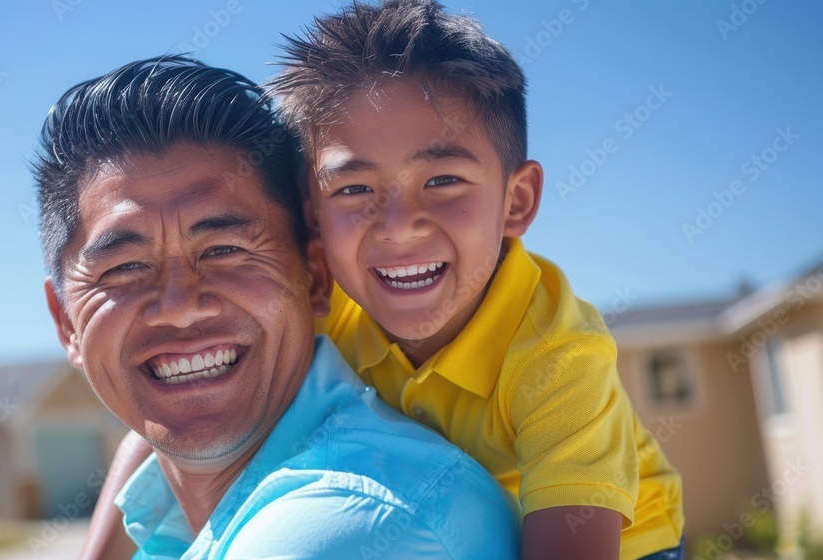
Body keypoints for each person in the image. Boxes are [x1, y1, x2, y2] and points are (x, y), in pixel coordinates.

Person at [34, 55, 520, 559]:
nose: (179, 306)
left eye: (224, 251)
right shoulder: (168, 510)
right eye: (125, 267)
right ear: (67, 321)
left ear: (315, 276)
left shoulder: (348, 523)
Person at [267, 1, 685, 559]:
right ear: (313, 217)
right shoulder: (324, 301)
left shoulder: (557, 359)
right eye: (354, 189)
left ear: (516, 201)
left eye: (442, 179)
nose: (399, 227)